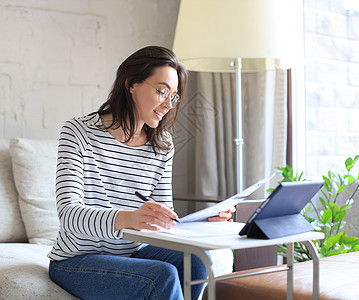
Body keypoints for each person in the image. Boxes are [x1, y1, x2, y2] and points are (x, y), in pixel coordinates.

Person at [48, 45, 235, 300]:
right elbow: (68, 215)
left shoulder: (162, 145)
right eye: (162, 91)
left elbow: (163, 220)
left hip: (132, 254)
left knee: (196, 261)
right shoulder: (78, 132)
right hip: (77, 260)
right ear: (132, 84)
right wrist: (127, 218)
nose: (169, 104)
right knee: (162, 276)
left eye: (174, 96)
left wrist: (202, 223)